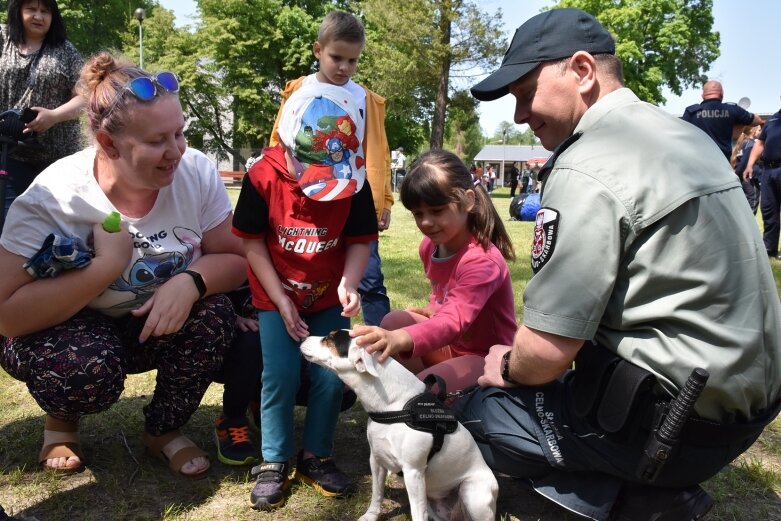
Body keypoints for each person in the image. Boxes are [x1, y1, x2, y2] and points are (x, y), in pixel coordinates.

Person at [454, 8, 781, 521]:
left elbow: (545, 352)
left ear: (582, 71)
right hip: (746, 410)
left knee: (475, 415)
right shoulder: (685, 136)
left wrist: (505, 366)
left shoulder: (588, 161)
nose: (519, 115)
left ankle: (643, 503)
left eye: (524, 93)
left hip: (676, 426)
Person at [0, 51, 246, 476]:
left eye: (179, 134)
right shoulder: (54, 196)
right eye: (156, 141)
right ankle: (62, 421)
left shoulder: (196, 172)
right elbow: (6, 317)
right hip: (66, 328)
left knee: (215, 316)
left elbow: (236, 256)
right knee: (84, 369)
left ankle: (164, 431)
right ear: (108, 142)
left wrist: (191, 282)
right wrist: (105, 267)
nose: (176, 152)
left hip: (146, 324)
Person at [233, 82, 377, 510]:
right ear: (290, 149)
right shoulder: (262, 175)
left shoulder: (355, 179)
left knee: (332, 375)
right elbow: (253, 243)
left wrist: (349, 283)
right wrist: (279, 300)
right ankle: (274, 461)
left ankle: (317, 454)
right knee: (280, 375)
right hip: (275, 293)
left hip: (328, 295)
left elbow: (358, 241)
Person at [353, 149, 517, 393]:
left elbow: (453, 321)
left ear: (468, 201)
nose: (426, 222)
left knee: (427, 389)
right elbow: (441, 294)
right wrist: (433, 308)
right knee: (393, 321)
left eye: (437, 210)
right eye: (418, 214)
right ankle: (421, 388)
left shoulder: (482, 261)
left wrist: (398, 339)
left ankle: (430, 395)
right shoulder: (429, 247)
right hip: (451, 347)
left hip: (486, 356)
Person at [269, 11, 392, 328]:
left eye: (353, 61)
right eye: (337, 57)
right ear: (317, 50)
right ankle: (303, 340)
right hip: (306, 201)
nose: (344, 68)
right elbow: (280, 140)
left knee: (369, 279)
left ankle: (385, 346)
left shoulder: (365, 99)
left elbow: (378, 150)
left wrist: (385, 200)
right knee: (306, 276)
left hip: (353, 201)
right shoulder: (298, 91)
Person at [0, 0, 84, 231]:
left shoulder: (66, 50)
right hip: (9, 154)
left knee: (56, 230)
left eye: (45, 11)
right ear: (18, 11)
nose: (39, 16)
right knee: (9, 227)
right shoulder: (2, 37)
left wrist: (54, 116)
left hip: (58, 160)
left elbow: (86, 97)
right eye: (32, 9)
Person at [681, 79, 762, 160]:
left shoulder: (691, 112)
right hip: (722, 164)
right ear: (722, 94)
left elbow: (681, 137)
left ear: (702, 95)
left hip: (697, 164)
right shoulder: (732, 110)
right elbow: (757, 121)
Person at [744, 107, 781, 260]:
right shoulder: (773, 119)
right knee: (768, 210)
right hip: (768, 170)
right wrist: (749, 165)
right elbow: (760, 144)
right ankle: (770, 248)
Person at [731, 125, 762, 214]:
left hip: (742, 176)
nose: (761, 132)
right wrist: (738, 175)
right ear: (753, 131)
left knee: (745, 200)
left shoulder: (744, 143)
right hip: (749, 177)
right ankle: (750, 225)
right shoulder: (751, 144)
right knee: (752, 201)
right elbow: (744, 162)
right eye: (759, 130)